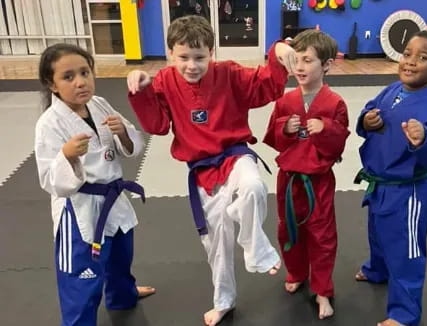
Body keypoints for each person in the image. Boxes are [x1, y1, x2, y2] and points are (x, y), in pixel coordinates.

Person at [126, 15, 296, 326]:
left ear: (212, 53)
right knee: (216, 243)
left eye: (200, 57)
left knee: (254, 187)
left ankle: (256, 248)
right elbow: (157, 126)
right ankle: (224, 301)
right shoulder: (164, 80)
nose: (192, 65)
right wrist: (142, 89)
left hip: (234, 155)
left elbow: (266, 87)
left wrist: (279, 53)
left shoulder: (228, 73)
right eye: (184, 58)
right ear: (170, 55)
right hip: (203, 171)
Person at [34, 43, 155, 326]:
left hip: (113, 199)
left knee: (120, 256)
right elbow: (49, 180)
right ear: (52, 84)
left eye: (85, 72)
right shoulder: (49, 124)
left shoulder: (99, 104)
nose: (80, 82)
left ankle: (123, 295)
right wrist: (66, 155)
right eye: (68, 77)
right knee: (81, 277)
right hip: (79, 211)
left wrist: (123, 132)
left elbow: (132, 145)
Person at [354, 31, 427, 326]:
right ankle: (377, 270)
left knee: (406, 250)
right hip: (380, 182)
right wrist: (366, 121)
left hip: (410, 190)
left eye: (423, 58)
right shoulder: (392, 89)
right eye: (407, 54)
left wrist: (424, 140)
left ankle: (404, 314)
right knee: (377, 232)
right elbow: (368, 111)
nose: (411, 62)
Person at [263, 29, 349, 320]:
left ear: (326, 65)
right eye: (296, 60)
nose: (299, 67)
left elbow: (339, 145)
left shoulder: (335, 103)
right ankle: (297, 272)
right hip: (288, 181)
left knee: (322, 236)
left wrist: (327, 130)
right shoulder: (285, 103)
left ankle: (323, 289)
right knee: (288, 230)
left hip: (318, 182)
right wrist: (284, 128)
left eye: (308, 60)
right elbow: (274, 138)